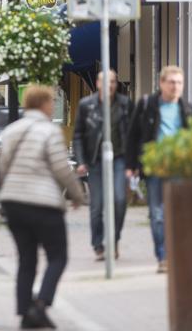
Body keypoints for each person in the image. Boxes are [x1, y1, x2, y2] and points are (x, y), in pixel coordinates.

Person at [0, 85, 85, 329]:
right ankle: (41, 305)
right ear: (44, 104)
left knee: (26, 259)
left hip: (13, 202)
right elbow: (60, 167)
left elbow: (2, 167)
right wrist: (78, 195)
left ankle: (25, 313)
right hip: (43, 203)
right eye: (51, 101)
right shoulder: (49, 131)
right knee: (58, 256)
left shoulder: (11, 131)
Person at [126, 65, 192, 274]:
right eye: (172, 82)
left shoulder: (187, 108)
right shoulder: (148, 105)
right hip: (155, 166)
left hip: (179, 168)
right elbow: (133, 136)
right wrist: (131, 166)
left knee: (179, 213)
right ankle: (163, 256)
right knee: (157, 214)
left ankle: (177, 253)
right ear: (161, 83)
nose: (175, 86)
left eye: (179, 82)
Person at [72, 70, 133, 261]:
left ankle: (113, 239)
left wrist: (133, 163)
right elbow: (78, 136)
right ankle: (98, 244)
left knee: (120, 200)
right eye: (106, 82)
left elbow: (132, 135)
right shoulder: (86, 105)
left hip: (119, 158)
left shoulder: (125, 105)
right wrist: (81, 161)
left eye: (113, 81)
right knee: (97, 205)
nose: (110, 85)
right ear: (98, 84)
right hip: (96, 160)